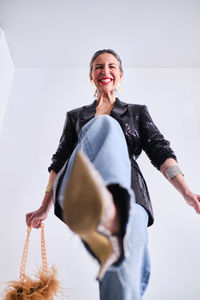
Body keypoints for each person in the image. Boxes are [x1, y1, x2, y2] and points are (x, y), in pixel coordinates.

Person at [26, 49, 200, 300]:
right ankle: (107, 203)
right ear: (90, 76)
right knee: (105, 124)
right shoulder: (76, 117)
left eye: (111, 66)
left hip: (132, 197)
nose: (105, 71)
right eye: (98, 67)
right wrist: (44, 206)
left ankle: (113, 219)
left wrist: (186, 192)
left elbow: (160, 152)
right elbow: (59, 162)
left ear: (120, 76)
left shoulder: (136, 112)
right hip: (80, 185)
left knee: (127, 265)